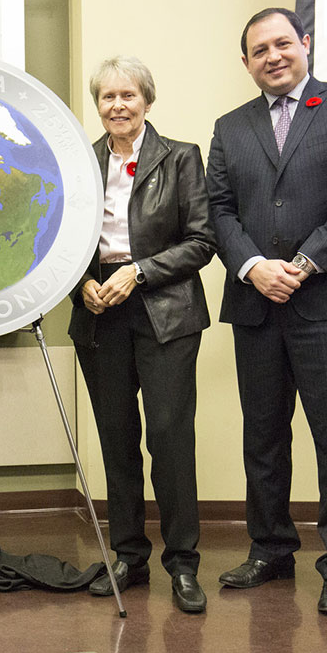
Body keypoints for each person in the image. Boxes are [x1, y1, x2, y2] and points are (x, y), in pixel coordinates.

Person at [206, 8, 327, 615]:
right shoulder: (230, 127)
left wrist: (305, 264)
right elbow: (219, 211)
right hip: (255, 302)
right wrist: (255, 266)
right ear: (246, 62)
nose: (273, 56)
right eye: (259, 50)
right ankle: (271, 549)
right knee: (262, 437)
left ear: (305, 44)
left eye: (283, 43)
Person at [69, 56, 215, 614]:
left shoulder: (180, 159)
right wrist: (82, 281)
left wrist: (140, 271)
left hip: (164, 312)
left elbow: (202, 241)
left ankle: (183, 564)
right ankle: (128, 556)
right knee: (116, 438)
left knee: (170, 439)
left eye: (128, 96)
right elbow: (56, 237)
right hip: (99, 311)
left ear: (147, 102)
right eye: (107, 97)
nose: (117, 106)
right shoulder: (79, 162)